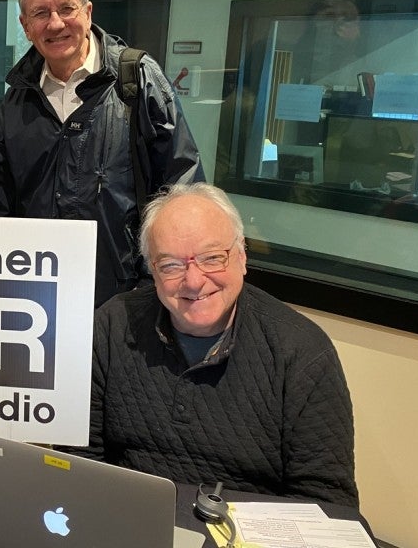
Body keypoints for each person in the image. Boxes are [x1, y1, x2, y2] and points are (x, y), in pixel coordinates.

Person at [65, 182, 359, 507]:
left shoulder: (302, 352)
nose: (194, 281)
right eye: (171, 265)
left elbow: (327, 504)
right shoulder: (110, 327)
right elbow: (78, 461)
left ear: (242, 256)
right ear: (152, 270)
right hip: (130, 521)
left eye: (212, 258)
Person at [0, 0, 204, 308]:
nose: (55, 23)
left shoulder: (138, 81)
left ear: (87, 11)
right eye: (40, 13)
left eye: (66, 8)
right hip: (36, 296)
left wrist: (153, 289)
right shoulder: (16, 99)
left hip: (125, 301)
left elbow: (183, 192)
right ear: (25, 25)